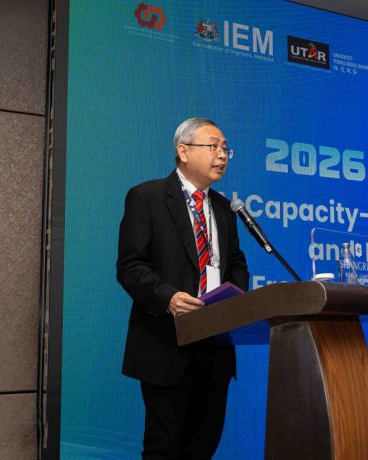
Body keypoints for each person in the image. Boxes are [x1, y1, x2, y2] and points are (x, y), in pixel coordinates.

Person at [117, 117, 249, 459]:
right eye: (213, 146)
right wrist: (169, 298)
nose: (222, 155)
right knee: (164, 449)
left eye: (226, 149)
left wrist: (234, 300)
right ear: (183, 151)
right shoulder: (147, 197)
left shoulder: (224, 208)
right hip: (167, 345)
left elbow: (236, 263)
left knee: (203, 448)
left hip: (215, 347)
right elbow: (130, 267)